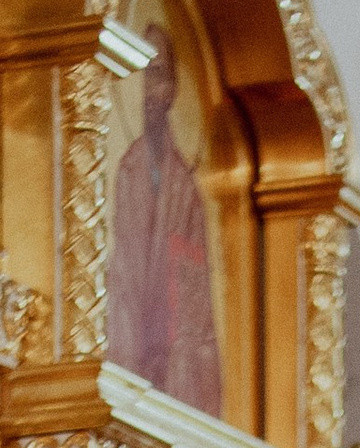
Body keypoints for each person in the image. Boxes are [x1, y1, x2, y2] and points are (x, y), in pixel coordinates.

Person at [107, 23, 222, 414]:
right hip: (131, 343)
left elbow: (196, 295)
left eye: (158, 75)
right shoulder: (129, 170)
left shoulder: (186, 191)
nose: (149, 92)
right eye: (142, 75)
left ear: (173, 88)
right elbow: (121, 273)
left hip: (175, 360)